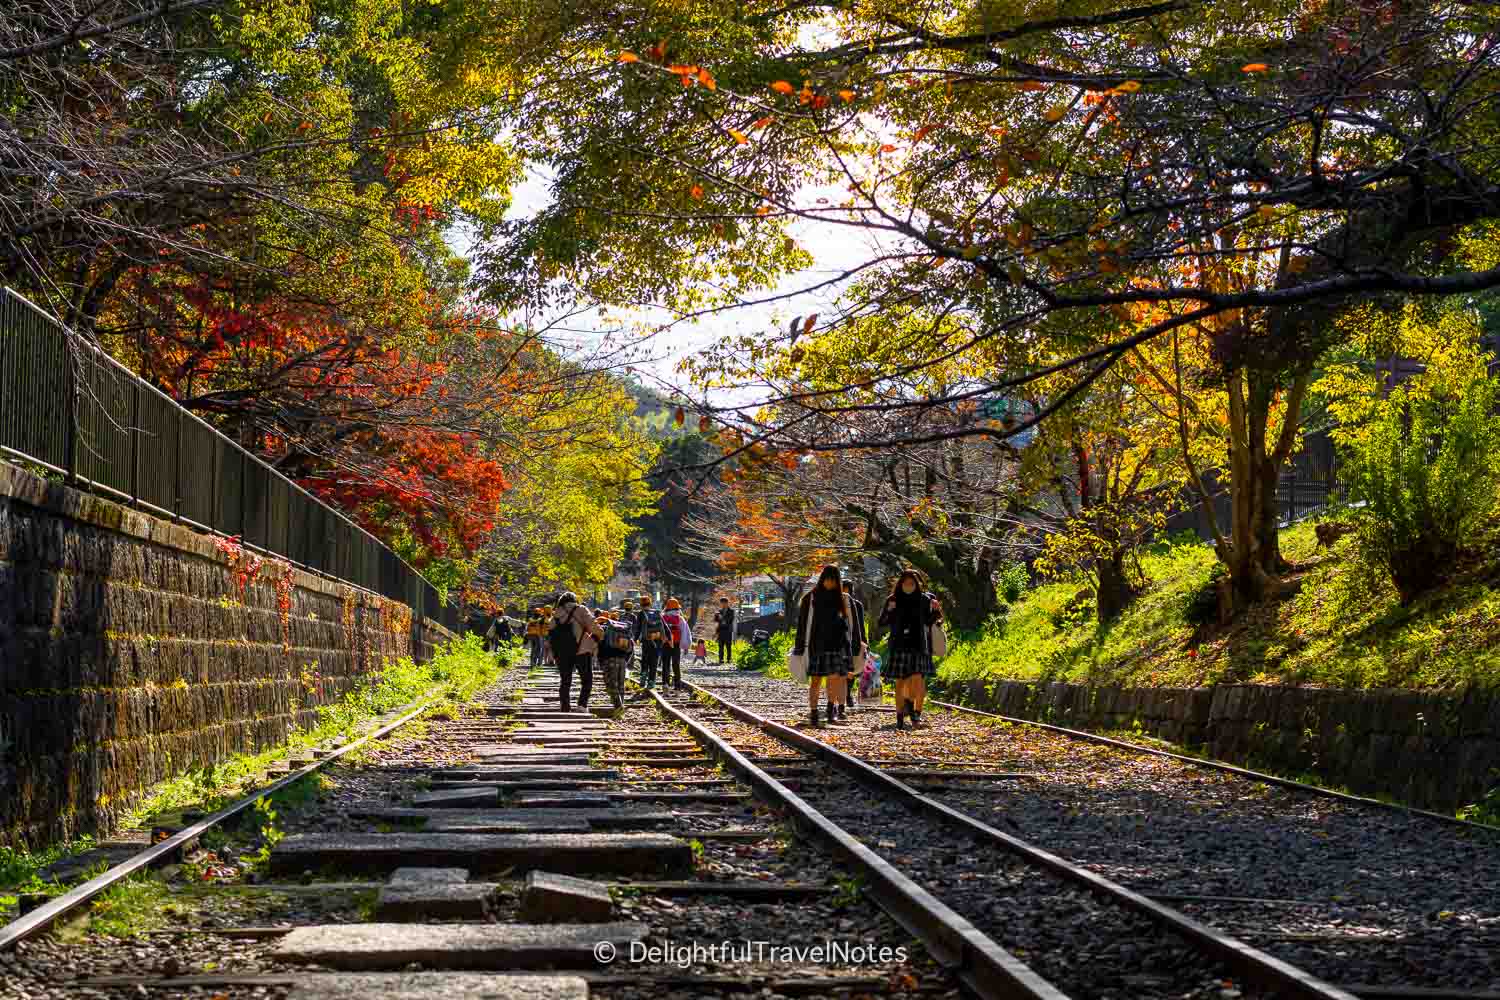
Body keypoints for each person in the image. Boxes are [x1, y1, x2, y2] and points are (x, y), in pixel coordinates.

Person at [878, 569, 943, 730]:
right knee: (900, 683)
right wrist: (890, 610)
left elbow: (929, 621)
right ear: (900, 584)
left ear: (917, 584)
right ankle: (900, 716)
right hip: (899, 645)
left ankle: (913, 711)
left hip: (918, 645)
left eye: (912, 583)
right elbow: (882, 622)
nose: (909, 586)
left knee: (917, 682)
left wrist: (935, 610)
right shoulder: (893, 599)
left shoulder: (924, 599)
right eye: (906, 583)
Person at [792, 565, 855, 726]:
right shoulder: (811, 597)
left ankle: (830, 710)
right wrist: (799, 646)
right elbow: (802, 623)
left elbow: (847, 626)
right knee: (816, 681)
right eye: (827, 579)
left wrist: (849, 649)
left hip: (836, 645)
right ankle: (813, 712)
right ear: (822, 579)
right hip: (815, 645)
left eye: (833, 580)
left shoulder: (842, 599)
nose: (829, 583)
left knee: (833, 679)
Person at [550, 593, 603, 712]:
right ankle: (582, 705)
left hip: (563, 652)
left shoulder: (557, 613)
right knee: (587, 679)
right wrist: (599, 635)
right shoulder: (581, 609)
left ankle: (565, 706)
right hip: (582, 650)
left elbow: (550, 630)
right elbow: (593, 626)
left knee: (565, 680)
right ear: (574, 599)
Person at [595, 607, 633, 709]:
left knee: (611, 684)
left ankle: (618, 706)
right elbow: (631, 647)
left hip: (609, 659)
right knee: (621, 685)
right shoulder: (624, 630)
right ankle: (620, 705)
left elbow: (600, 646)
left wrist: (601, 660)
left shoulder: (605, 629)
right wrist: (626, 660)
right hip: (622, 660)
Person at [841, 580, 867, 712]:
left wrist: (864, 640)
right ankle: (843, 696)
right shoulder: (835, 603)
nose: (845, 592)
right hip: (840, 641)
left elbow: (861, 624)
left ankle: (848, 693)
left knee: (853, 669)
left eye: (847, 589)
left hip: (855, 640)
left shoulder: (857, 605)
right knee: (842, 669)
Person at [634, 594, 668, 691]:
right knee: (654, 661)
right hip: (657, 641)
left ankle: (644, 674)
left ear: (641, 604)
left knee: (645, 658)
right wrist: (667, 638)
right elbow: (664, 626)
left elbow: (638, 629)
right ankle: (651, 681)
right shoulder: (657, 613)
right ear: (650, 603)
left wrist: (635, 639)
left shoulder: (641, 614)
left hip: (646, 640)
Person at [661, 598, 688, 690]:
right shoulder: (680, 619)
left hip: (665, 644)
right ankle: (677, 686)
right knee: (676, 664)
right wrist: (685, 646)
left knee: (665, 664)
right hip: (676, 644)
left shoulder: (662, 617)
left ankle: (665, 684)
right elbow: (685, 633)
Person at [713, 597, 735, 665]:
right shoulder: (719, 611)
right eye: (721, 603)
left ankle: (728, 659)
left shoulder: (731, 611)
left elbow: (730, 620)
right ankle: (721, 659)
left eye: (724, 603)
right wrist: (716, 616)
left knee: (728, 646)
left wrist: (722, 618)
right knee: (721, 646)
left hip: (728, 630)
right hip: (721, 630)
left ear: (727, 603)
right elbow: (716, 620)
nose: (722, 605)